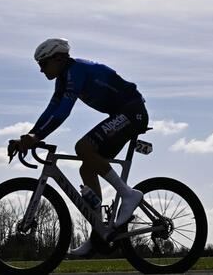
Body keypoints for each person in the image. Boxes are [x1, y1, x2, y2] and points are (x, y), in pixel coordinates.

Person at [17, 38, 148, 258]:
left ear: (58, 58)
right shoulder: (64, 77)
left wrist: (36, 136)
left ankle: (128, 194)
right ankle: (99, 233)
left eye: (43, 63)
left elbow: (63, 112)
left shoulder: (75, 72)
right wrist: (31, 135)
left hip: (132, 111)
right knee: (86, 168)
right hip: (123, 113)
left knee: (83, 147)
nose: (41, 70)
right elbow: (51, 109)